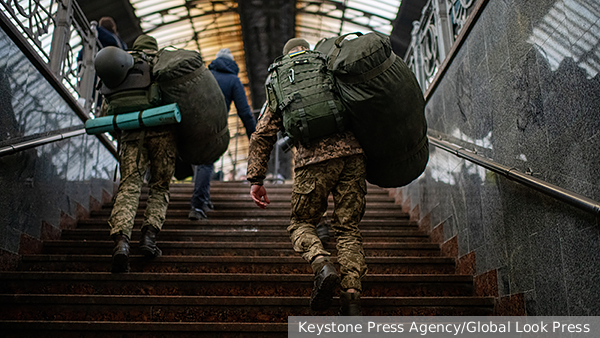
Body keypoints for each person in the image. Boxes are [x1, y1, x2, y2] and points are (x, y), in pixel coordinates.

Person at [247, 38, 367, 316]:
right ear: (308, 51)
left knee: (301, 222)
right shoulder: (329, 64)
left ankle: (322, 264)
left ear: (287, 55)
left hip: (312, 161)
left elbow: (263, 133)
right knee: (348, 228)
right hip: (352, 155)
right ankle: (351, 296)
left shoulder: (279, 79)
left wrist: (256, 178)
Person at [104, 35, 176, 273]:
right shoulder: (162, 62)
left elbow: (107, 106)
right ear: (155, 48)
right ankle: (149, 238)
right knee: (159, 186)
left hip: (131, 134)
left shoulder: (122, 65)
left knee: (129, 186)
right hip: (162, 134)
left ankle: (122, 243)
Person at [188, 48, 256, 220]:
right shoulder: (233, 80)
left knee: (201, 162)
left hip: (192, 124)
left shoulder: (203, 75)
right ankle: (197, 205)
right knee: (206, 163)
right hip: (213, 128)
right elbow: (245, 112)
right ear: (232, 63)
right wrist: (253, 136)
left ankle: (204, 199)